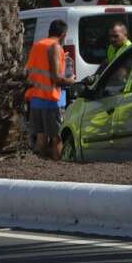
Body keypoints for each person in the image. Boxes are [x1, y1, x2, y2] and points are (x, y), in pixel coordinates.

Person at [25, 19, 75, 160]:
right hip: (52, 101)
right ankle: (57, 170)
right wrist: (71, 80)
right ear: (63, 34)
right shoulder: (55, 47)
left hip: (36, 99)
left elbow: (35, 70)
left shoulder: (37, 45)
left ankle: (39, 169)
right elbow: (56, 78)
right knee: (57, 138)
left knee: (41, 136)